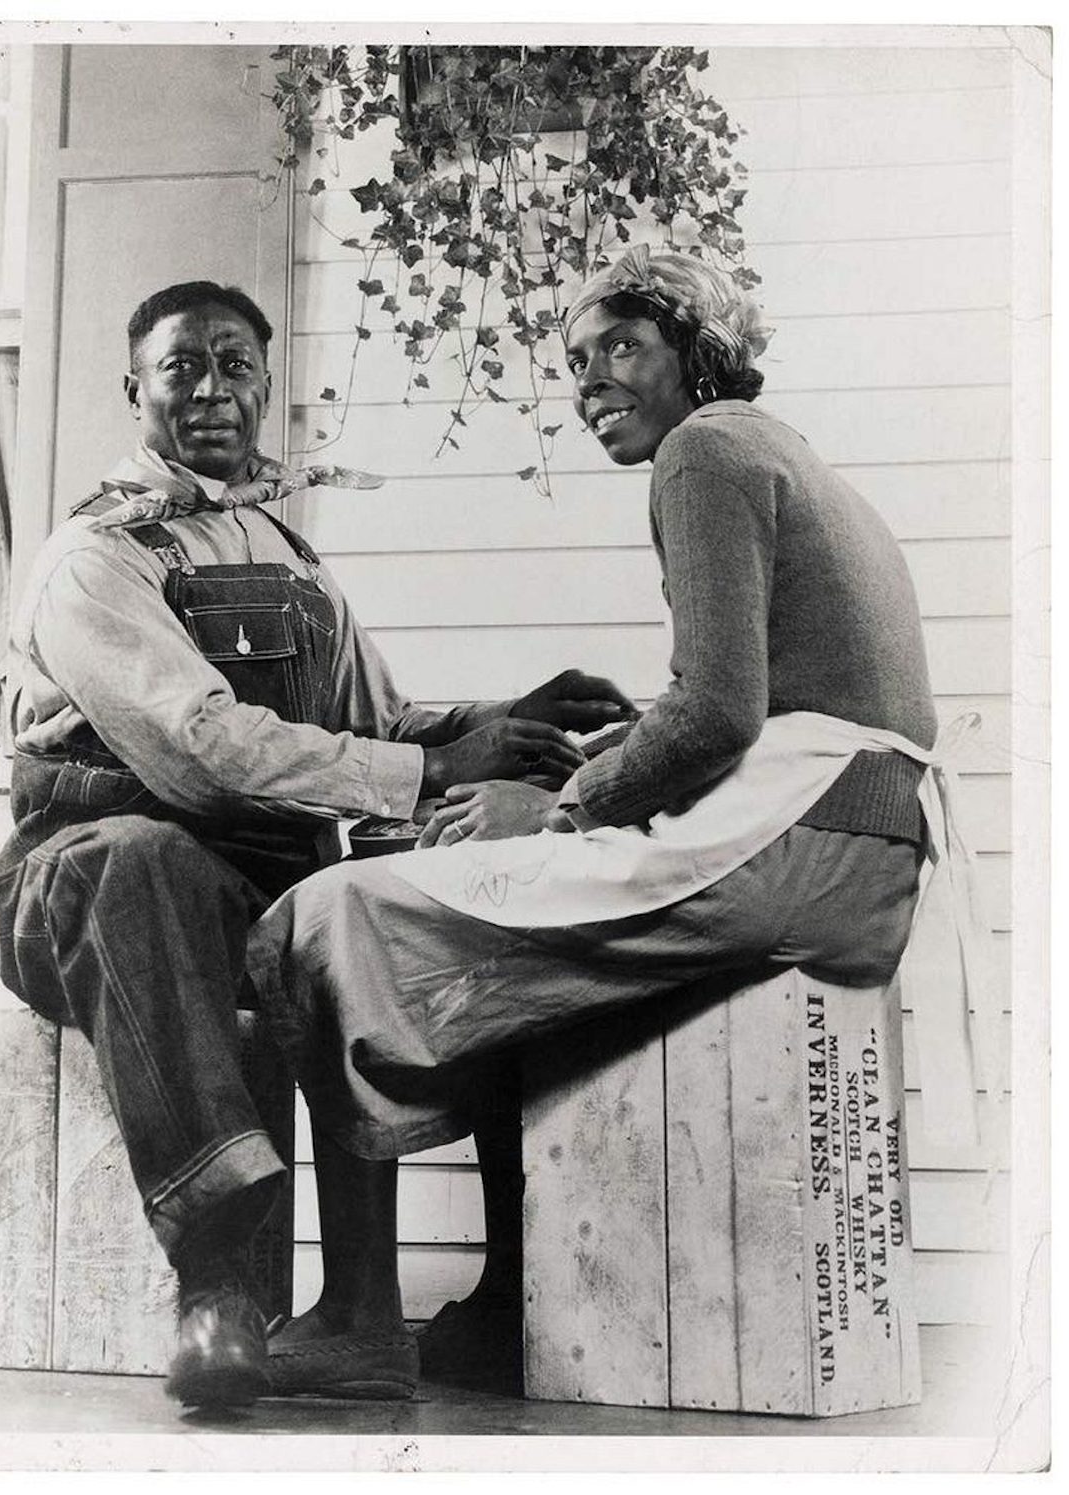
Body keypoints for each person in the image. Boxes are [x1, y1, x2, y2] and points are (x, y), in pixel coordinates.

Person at [248, 244, 942, 1398]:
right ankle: (504, 1309)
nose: (592, 382)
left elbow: (720, 712)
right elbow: (749, 702)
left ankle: (357, 1313)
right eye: (575, 363)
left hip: (794, 849)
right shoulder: (780, 453)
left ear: (695, 350)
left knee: (337, 910)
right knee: (503, 943)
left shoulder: (704, 450)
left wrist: (559, 801)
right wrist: (620, 754)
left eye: (622, 346)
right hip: (854, 852)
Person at [0, 279, 635, 1410]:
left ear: (265, 386)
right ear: (133, 389)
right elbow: (195, 745)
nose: (213, 389)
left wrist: (501, 725)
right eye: (183, 366)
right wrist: (430, 769)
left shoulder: (286, 555)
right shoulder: (94, 554)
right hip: (76, 880)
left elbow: (375, 726)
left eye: (236, 364)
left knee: (373, 907)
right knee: (151, 859)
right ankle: (219, 1284)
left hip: (244, 884)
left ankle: (378, 1316)